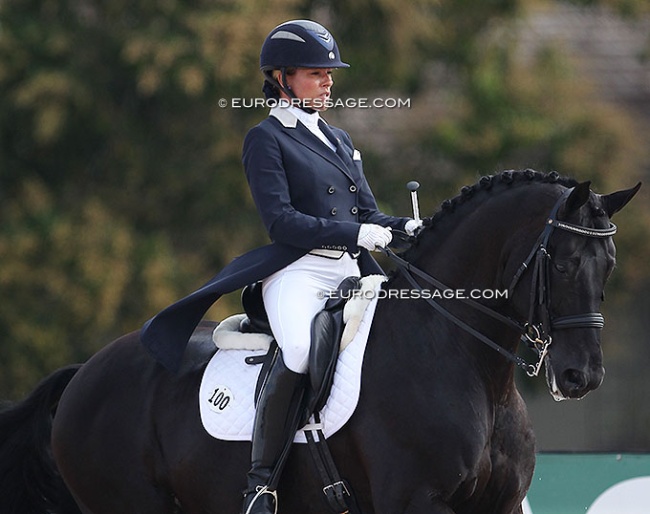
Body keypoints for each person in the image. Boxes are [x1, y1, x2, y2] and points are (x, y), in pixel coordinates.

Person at [140, 19, 421, 514]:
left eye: (330, 73)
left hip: (353, 269)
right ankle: (262, 483)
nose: (329, 82)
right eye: (317, 73)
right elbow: (283, 222)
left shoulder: (337, 137)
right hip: (298, 271)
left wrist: (408, 227)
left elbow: (368, 214)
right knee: (296, 351)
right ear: (283, 78)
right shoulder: (265, 138)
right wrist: (356, 233)